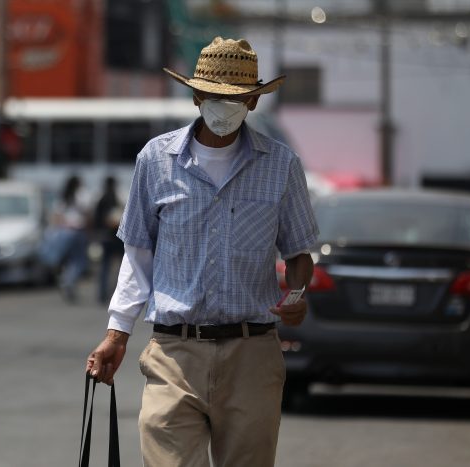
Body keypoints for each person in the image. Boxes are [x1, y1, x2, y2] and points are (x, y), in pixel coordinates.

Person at [85, 37, 318, 467]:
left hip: (252, 354)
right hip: (174, 353)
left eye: (236, 99)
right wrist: (116, 334)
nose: (224, 107)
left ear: (252, 103)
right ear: (196, 95)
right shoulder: (155, 160)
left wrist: (297, 297)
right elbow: (138, 256)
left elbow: (300, 252)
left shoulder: (282, 166)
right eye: (214, 96)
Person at [42, 175, 91, 302]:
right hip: (78, 231)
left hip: (64, 231)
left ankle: (66, 279)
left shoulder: (63, 196)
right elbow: (87, 213)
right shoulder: (81, 195)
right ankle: (68, 280)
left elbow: (57, 215)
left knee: (66, 260)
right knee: (79, 261)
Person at [93, 176, 124, 303]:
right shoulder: (113, 199)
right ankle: (115, 293)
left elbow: (96, 219)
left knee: (105, 267)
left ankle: (103, 293)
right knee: (121, 267)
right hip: (114, 237)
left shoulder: (101, 199)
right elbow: (112, 219)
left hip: (105, 237)